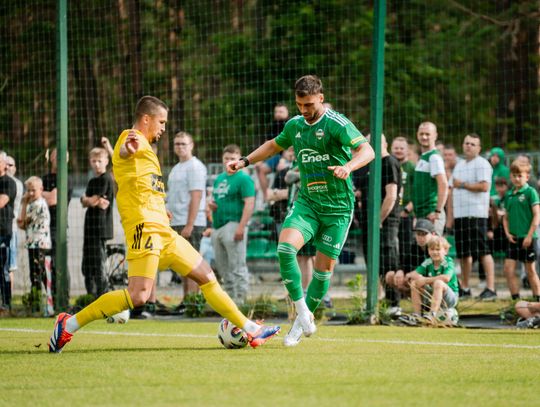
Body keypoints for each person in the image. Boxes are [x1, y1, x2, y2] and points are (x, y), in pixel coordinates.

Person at [48, 96, 279, 353]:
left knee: (206, 275)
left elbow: (146, 187)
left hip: (163, 231)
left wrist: (162, 208)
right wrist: (128, 148)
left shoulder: (148, 150)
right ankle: (68, 324)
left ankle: (251, 329)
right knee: (138, 296)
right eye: (162, 122)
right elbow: (125, 150)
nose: (164, 128)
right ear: (146, 119)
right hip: (144, 229)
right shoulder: (131, 138)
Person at [227, 75, 375, 346]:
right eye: (299, 105)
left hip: (338, 209)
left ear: (321, 98)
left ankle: (298, 324)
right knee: (285, 250)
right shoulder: (295, 125)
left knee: (323, 270)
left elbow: (367, 151)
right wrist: (245, 161)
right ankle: (303, 311)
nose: (304, 110)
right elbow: (273, 145)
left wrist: (348, 167)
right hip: (307, 203)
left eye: (309, 105)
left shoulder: (336, 123)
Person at [447, 134, 497, 300]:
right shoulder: (460, 165)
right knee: (464, 254)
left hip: (477, 215)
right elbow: (451, 190)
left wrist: (462, 184)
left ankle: (491, 288)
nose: (468, 146)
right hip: (460, 216)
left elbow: (485, 186)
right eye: (466, 143)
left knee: (483, 251)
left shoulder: (482, 163)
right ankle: (465, 288)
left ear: (479, 148)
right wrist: (450, 217)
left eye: (472, 144)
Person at [357, 134, 401, 309]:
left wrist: (379, 220)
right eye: (368, 142)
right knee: (373, 263)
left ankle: (394, 304)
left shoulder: (389, 162)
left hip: (385, 223)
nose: (371, 144)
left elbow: (391, 196)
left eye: (374, 141)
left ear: (385, 143)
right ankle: (377, 302)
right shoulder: (370, 164)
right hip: (369, 223)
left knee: (388, 261)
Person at [209, 144, 255, 305]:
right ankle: (230, 302)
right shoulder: (220, 178)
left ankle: (241, 302)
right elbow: (217, 199)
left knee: (237, 266)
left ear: (239, 159)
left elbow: (249, 203)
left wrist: (241, 227)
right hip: (218, 225)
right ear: (222, 159)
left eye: (233, 158)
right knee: (223, 268)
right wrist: (212, 206)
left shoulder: (243, 178)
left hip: (234, 224)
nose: (229, 161)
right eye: (226, 158)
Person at [166, 131, 207, 302]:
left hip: (190, 223)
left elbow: (196, 196)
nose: (180, 147)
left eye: (183, 143)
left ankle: (193, 303)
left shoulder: (195, 166)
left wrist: (190, 225)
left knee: (191, 265)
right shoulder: (176, 168)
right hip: (176, 222)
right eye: (177, 143)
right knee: (183, 266)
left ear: (191, 145)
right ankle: (186, 301)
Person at [502, 159, 540, 301]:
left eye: (520, 176)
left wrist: (529, 236)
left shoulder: (531, 192)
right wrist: (507, 233)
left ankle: (537, 301)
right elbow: (505, 217)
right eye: (514, 175)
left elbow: (537, 215)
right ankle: (516, 302)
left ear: (527, 177)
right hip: (513, 238)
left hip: (528, 238)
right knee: (508, 269)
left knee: (530, 271)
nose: (517, 178)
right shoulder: (509, 195)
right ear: (510, 176)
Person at [80, 147, 115, 298]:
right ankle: (91, 296)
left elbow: (94, 200)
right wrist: (90, 200)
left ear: (106, 161)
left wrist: (90, 200)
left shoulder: (106, 179)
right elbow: (87, 201)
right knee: (88, 264)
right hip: (89, 227)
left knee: (98, 263)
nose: (96, 164)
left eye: (99, 161)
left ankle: (102, 295)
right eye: (94, 161)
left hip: (100, 228)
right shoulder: (92, 181)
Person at [403, 236, 459, 325]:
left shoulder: (448, 262)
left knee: (438, 283)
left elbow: (446, 278)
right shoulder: (428, 262)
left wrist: (425, 280)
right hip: (433, 294)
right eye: (432, 249)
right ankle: (417, 315)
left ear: (445, 250)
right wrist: (408, 276)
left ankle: (432, 314)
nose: (435, 252)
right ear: (428, 250)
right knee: (414, 283)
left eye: (438, 249)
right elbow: (416, 273)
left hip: (450, 299)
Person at [385, 218, 436, 316]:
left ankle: (426, 309)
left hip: (436, 288)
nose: (420, 237)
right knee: (390, 276)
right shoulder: (414, 246)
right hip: (419, 284)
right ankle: (395, 306)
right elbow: (405, 263)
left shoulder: (436, 249)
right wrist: (400, 270)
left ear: (433, 234)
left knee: (415, 279)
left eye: (424, 234)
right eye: (418, 234)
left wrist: (412, 275)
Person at [17, 176, 52, 309]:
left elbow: (22, 223)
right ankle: (37, 302)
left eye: (34, 190)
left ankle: (47, 302)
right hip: (32, 244)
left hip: (40, 245)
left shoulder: (38, 204)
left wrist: (24, 203)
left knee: (40, 274)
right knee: (35, 274)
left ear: (41, 189)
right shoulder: (33, 204)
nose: (30, 193)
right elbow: (22, 223)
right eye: (28, 190)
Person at [411, 122, 448, 236]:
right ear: (417, 135)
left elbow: (443, 184)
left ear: (435, 136)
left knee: (434, 246)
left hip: (431, 214)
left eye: (427, 134)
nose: (424, 137)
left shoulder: (434, 157)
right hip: (422, 214)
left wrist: (437, 211)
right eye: (421, 134)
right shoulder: (423, 157)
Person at [255, 103, 290, 200]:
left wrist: (283, 160)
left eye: (281, 111)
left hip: (288, 156)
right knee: (259, 167)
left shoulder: (290, 124)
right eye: (276, 112)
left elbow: (290, 145)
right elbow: (267, 144)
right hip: (276, 156)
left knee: (280, 170)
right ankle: (267, 196)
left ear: (287, 113)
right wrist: (260, 159)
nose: (278, 114)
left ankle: (274, 196)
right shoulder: (273, 125)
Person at [390, 136, 415, 267]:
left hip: (406, 214)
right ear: (391, 149)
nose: (398, 150)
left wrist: (407, 209)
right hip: (391, 212)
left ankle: (405, 273)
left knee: (406, 246)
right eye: (396, 148)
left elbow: (417, 191)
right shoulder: (388, 165)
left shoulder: (412, 167)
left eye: (401, 148)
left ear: (407, 150)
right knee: (391, 245)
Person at [0, 151, 17, 310]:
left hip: (3, 231)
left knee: (3, 268)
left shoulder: (9, 183)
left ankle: (6, 303)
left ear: (4, 164)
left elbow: (2, 201)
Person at [5, 156, 23, 295]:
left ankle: (7, 299)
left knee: (9, 267)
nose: (7, 167)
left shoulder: (15, 184)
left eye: (10, 165)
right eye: (5, 164)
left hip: (10, 229)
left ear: (15, 168)